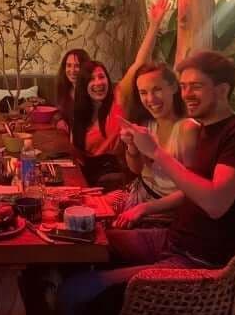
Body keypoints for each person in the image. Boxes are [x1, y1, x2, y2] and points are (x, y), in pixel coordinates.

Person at [58, 51, 235, 315]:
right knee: (79, 246)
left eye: (197, 86)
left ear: (223, 89)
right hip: (172, 238)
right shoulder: (203, 130)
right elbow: (191, 189)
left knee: (73, 291)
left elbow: (215, 203)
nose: (187, 93)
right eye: (184, 86)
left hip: (197, 259)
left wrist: (157, 153)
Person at [111, 62, 197, 229]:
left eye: (157, 89)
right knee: (90, 210)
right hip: (140, 193)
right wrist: (132, 146)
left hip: (168, 210)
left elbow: (193, 190)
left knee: (113, 237)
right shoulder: (147, 124)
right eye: (143, 92)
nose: (150, 99)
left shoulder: (187, 128)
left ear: (173, 87)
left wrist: (145, 208)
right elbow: (136, 170)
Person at [69, 60, 124, 188]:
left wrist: (152, 37)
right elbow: (76, 152)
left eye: (101, 76)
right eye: (91, 79)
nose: (98, 82)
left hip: (112, 178)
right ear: (84, 85)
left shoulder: (117, 102)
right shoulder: (80, 114)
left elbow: (139, 64)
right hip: (86, 180)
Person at [55, 48, 90, 130]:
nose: (72, 70)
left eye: (77, 66)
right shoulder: (65, 88)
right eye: (69, 65)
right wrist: (59, 121)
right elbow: (59, 113)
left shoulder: (91, 91)